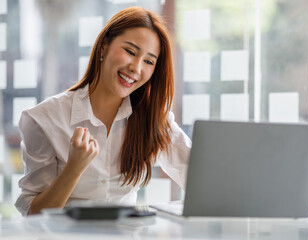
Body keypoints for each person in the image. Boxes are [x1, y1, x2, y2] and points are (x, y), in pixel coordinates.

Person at [15, 6, 191, 216]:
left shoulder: (153, 119)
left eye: (149, 61)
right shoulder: (44, 119)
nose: (136, 67)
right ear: (103, 46)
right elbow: (33, 214)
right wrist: (74, 168)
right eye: (130, 51)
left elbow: (200, 178)